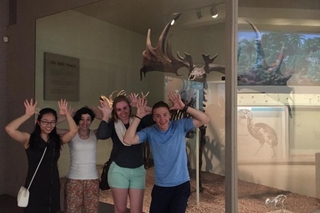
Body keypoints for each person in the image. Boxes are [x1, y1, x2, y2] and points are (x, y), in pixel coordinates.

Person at [123, 91, 210, 213]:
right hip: (161, 187)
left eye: (165, 115)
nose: (162, 119)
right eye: (158, 116)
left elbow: (205, 119)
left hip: (181, 185)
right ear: (153, 118)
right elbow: (128, 140)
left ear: (169, 115)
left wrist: (184, 107)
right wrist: (139, 116)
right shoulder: (150, 131)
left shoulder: (180, 126)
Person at [5, 99, 78, 213]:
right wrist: (27, 115)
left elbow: (74, 131)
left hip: (52, 184)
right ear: (38, 122)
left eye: (52, 122)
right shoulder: (29, 139)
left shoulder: (56, 141)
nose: (49, 125)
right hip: (35, 185)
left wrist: (67, 114)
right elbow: (9, 129)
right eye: (45, 121)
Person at [97, 92, 153, 213]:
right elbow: (101, 135)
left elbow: (157, 114)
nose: (123, 112)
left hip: (138, 170)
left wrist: (141, 107)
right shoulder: (113, 124)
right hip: (118, 169)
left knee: (137, 210)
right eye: (119, 110)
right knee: (120, 209)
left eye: (125, 108)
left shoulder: (139, 120)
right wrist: (106, 115)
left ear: (129, 107)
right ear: (115, 111)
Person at [58, 107, 100, 213]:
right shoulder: (71, 134)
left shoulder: (95, 134)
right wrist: (66, 116)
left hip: (92, 180)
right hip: (74, 180)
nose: (85, 122)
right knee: (72, 210)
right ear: (77, 120)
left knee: (91, 211)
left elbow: (111, 125)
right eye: (81, 119)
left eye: (88, 119)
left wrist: (102, 115)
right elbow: (48, 127)